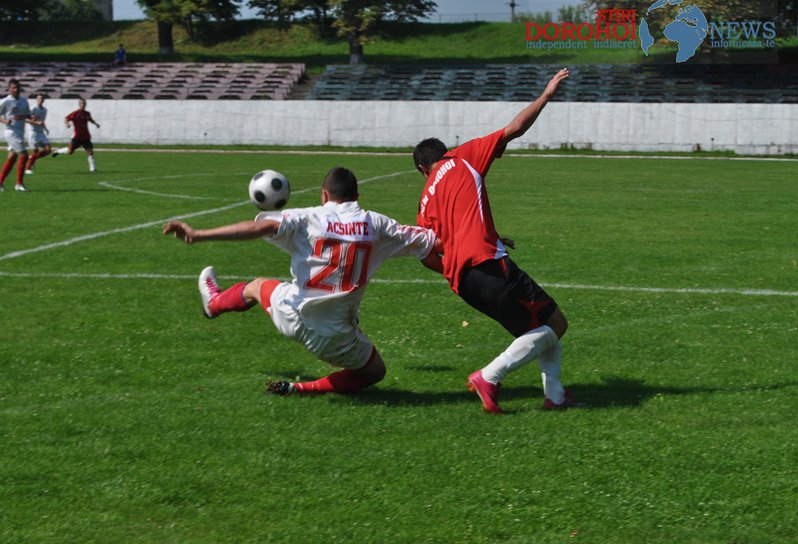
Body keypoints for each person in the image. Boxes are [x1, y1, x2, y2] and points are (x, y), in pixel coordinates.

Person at [163, 166, 440, 396]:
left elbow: (259, 227)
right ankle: (305, 389)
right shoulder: (377, 225)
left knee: (256, 287)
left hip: (293, 316)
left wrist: (199, 234)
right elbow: (432, 241)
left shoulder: (308, 217)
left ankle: (215, 304)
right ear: (357, 195)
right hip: (337, 339)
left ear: (324, 195)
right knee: (375, 372)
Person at [412, 67, 580, 414]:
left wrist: (458, 261)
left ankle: (557, 397)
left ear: (421, 170)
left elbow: (428, 252)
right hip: (488, 264)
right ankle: (489, 376)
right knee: (555, 324)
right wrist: (546, 95)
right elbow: (514, 129)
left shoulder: (425, 199)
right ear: (442, 153)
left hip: (463, 281)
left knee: (538, 328)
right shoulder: (461, 156)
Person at [52, 97, 100, 173]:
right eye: (81, 103)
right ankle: (58, 151)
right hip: (77, 137)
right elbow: (66, 118)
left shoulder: (87, 113)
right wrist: (67, 124)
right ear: (79, 104)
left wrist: (96, 124)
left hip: (85, 136)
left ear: (85, 104)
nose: (82, 104)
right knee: (69, 152)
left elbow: (90, 119)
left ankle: (92, 169)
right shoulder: (75, 113)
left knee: (90, 152)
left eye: (84, 103)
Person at [0, 79, 31, 192]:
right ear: (9, 89)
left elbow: (26, 114)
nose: (16, 90)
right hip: (11, 132)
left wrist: (31, 117)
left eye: (17, 87)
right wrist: (4, 121)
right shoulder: (6, 101)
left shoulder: (24, 101)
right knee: (24, 155)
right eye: (13, 88)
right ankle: (19, 184)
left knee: (12, 158)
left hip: (20, 132)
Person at [25, 93, 52, 174]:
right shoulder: (32, 108)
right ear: (36, 99)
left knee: (48, 150)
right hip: (32, 131)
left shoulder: (44, 110)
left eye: (42, 98)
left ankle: (32, 158)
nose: (40, 100)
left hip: (40, 132)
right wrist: (36, 122)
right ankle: (28, 169)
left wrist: (45, 128)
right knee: (36, 150)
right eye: (39, 98)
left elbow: (42, 121)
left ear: (44, 100)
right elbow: (26, 119)